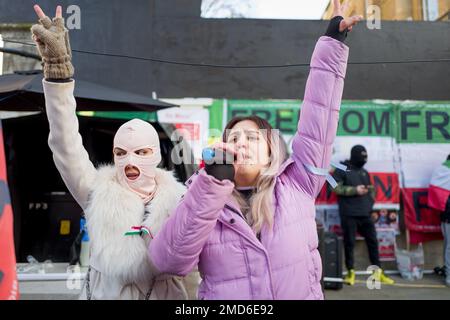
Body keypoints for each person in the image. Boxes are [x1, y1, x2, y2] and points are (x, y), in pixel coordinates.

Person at [148, 1, 363, 300]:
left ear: (271, 150)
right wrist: (210, 186)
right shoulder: (202, 198)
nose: (241, 143)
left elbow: (320, 113)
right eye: (233, 139)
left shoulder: (298, 183)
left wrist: (332, 43)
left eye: (252, 137)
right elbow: (168, 262)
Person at [30, 5, 198, 299]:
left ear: (156, 156)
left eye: (141, 151)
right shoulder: (96, 191)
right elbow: (65, 142)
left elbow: (200, 272)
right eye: (120, 153)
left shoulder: (182, 200)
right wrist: (58, 75)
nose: (129, 161)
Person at [333, 145, 394, 285]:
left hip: (365, 214)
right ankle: (350, 273)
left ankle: (377, 272)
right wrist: (354, 190)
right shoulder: (342, 168)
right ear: (354, 156)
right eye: (362, 157)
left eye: (365, 157)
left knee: (373, 242)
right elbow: (333, 186)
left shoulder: (364, 172)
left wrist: (369, 204)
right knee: (349, 243)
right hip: (349, 214)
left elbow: (371, 190)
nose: (364, 160)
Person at [428, 154, 450, 287]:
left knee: (448, 246)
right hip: (448, 216)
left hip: (446, 216)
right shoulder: (444, 172)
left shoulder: (442, 171)